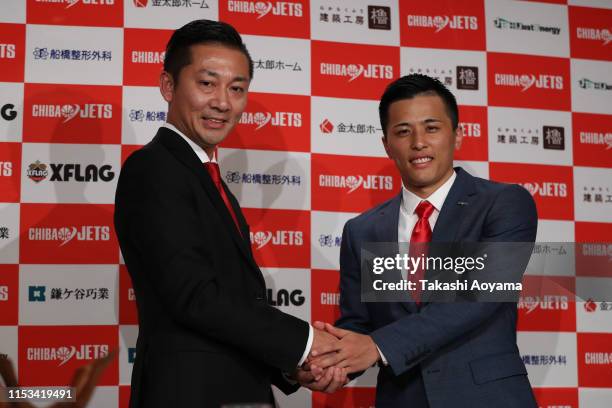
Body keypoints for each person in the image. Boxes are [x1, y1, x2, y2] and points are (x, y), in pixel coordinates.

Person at [114, 19, 344, 408]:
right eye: (207, 83)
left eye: (237, 88)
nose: (223, 101)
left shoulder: (212, 183)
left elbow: (232, 308)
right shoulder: (152, 169)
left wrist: (290, 368)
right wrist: (304, 342)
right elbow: (194, 296)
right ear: (168, 85)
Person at [308, 74, 539, 407]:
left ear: (457, 136)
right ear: (386, 144)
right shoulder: (362, 230)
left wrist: (377, 347)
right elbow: (358, 324)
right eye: (403, 131)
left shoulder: (504, 203)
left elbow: (480, 295)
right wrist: (328, 362)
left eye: (432, 128)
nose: (419, 142)